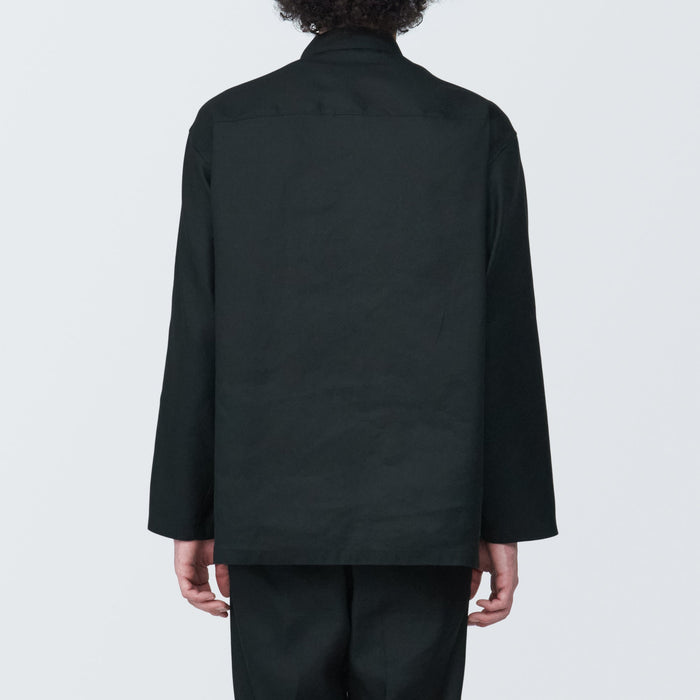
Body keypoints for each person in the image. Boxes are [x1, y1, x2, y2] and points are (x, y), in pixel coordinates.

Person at [148, 1, 559, 697]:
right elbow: (505, 335)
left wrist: (190, 511)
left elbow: (197, 327)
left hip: (269, 507)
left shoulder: (230, 123)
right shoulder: (473, 125)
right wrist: (503, 519)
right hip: (427, 513)